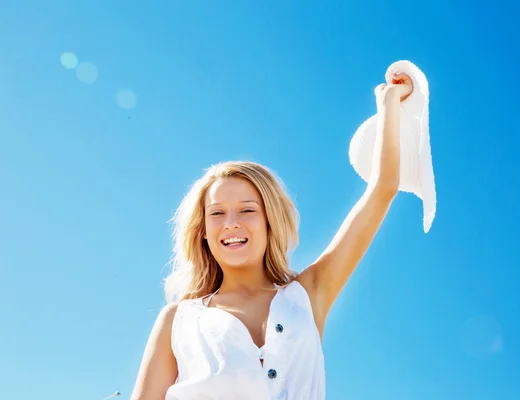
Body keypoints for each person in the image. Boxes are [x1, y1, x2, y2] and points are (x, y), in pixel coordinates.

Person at [131, 73, 414, 400]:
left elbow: (383, 190)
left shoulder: (308, 295)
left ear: (269, 222)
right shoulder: (179, 320)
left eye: (247, 210)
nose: (231, 223)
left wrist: (390, 104)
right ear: (203, 233)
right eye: (217, 213)